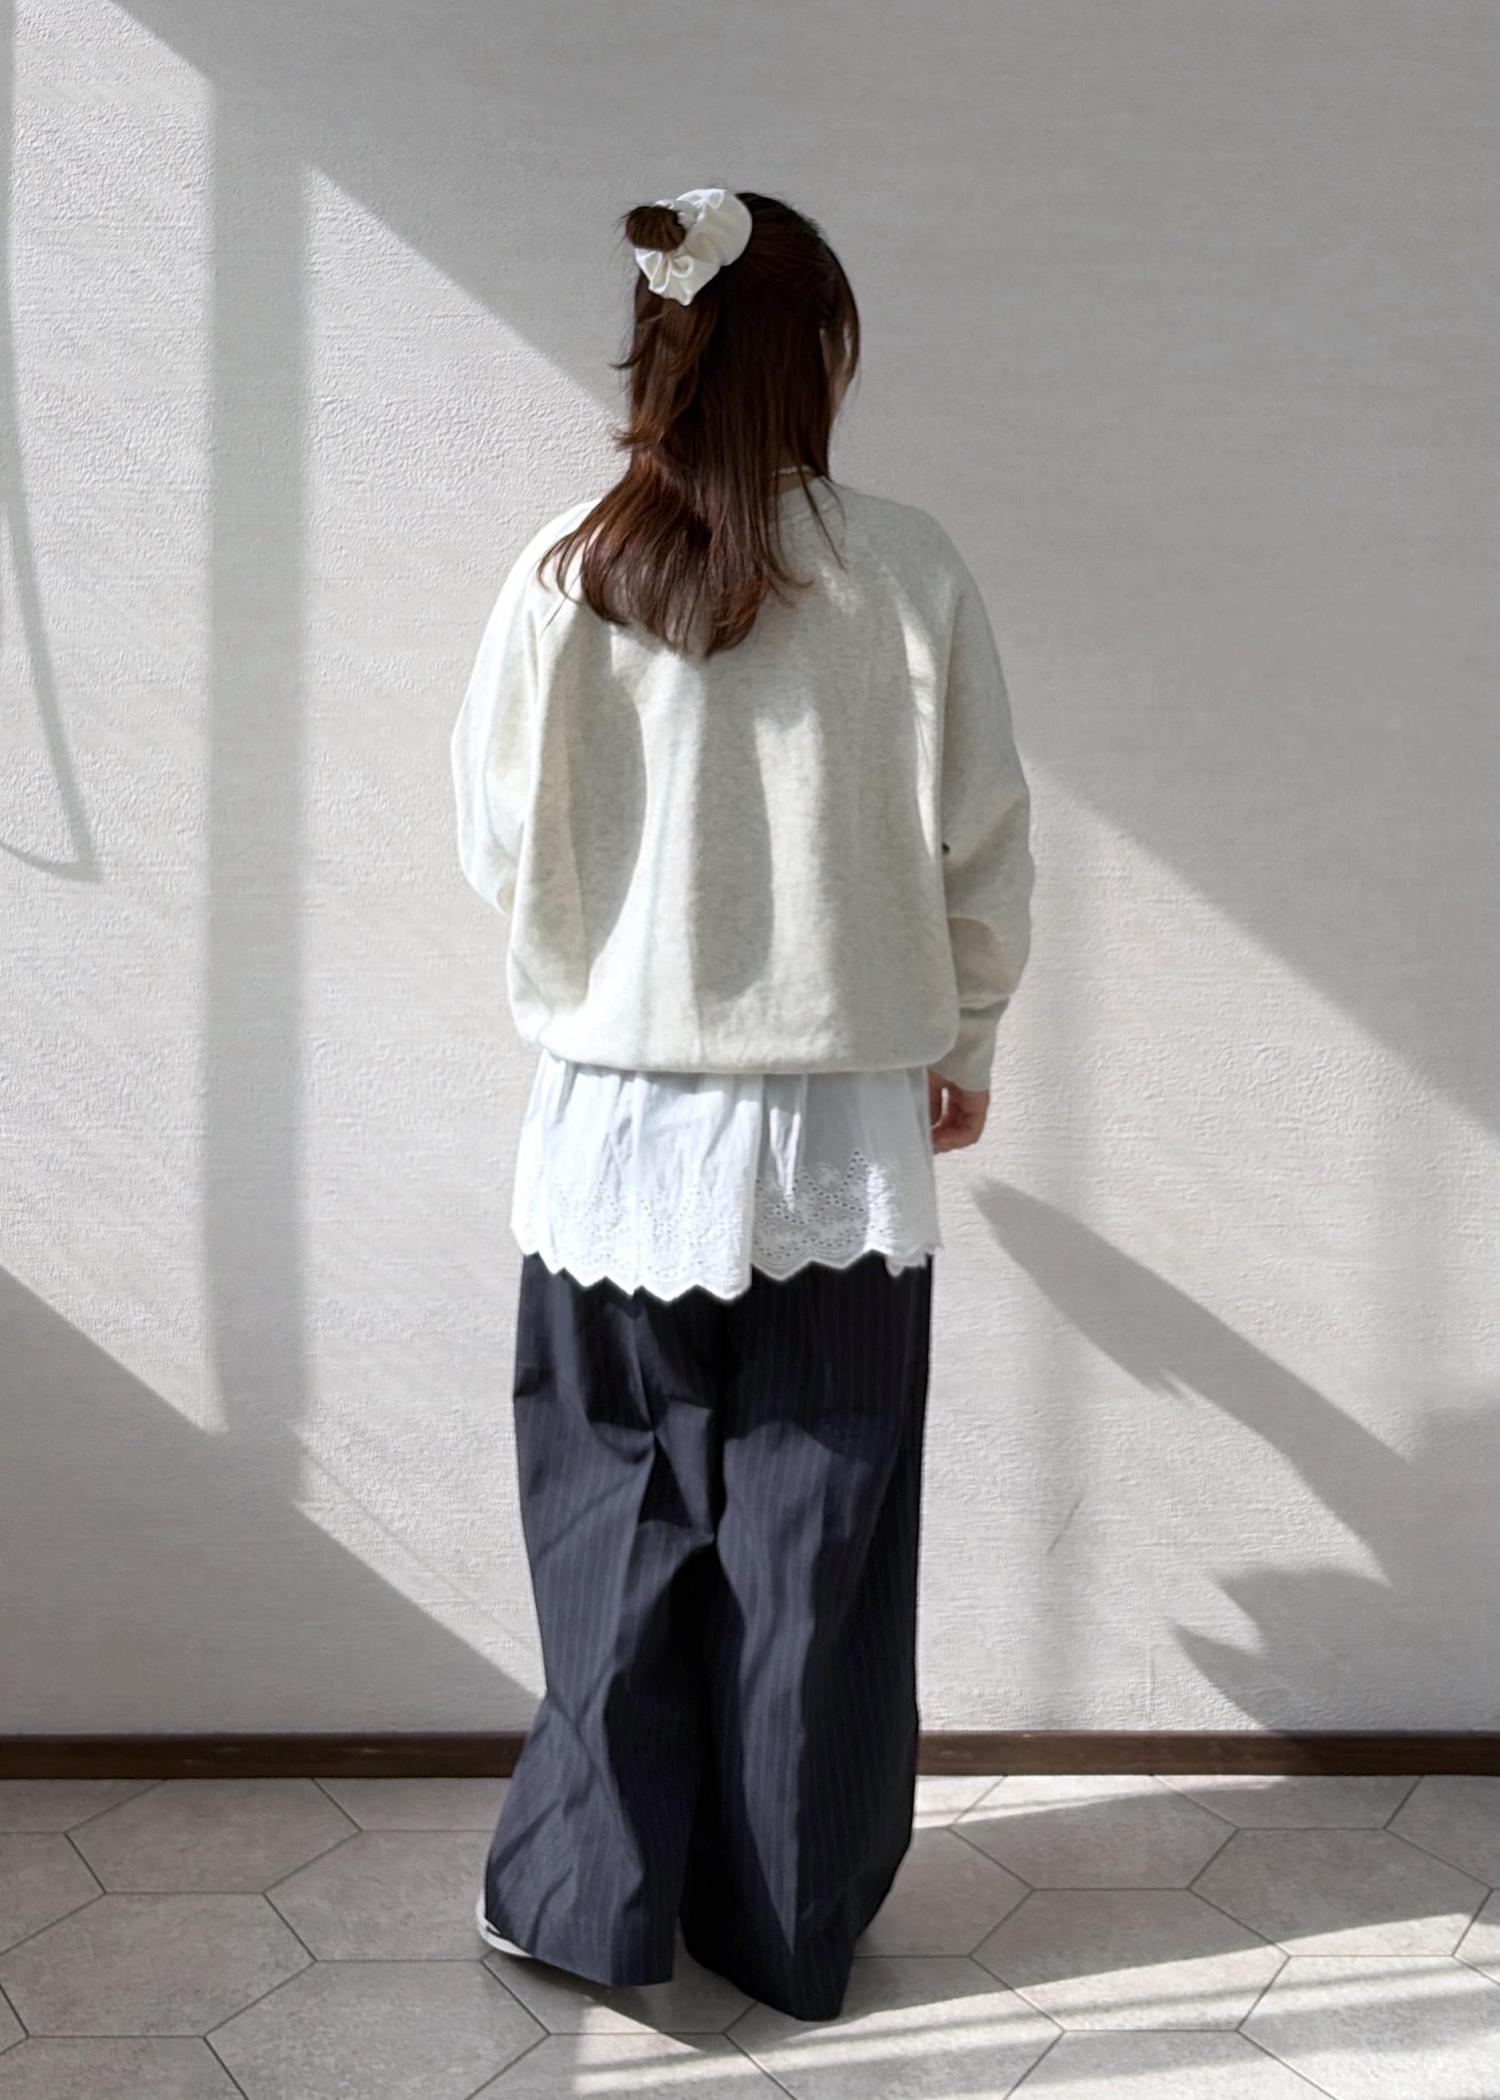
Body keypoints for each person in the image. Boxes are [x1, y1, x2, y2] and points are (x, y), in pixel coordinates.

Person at [449, 184, 1034, 2024]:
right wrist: (963, 1035)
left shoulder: (569, 570)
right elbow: (985, 843)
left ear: (661, 343)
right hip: (843, 1126)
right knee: (816, 1531)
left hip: (621, 1125)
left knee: (612, 1515)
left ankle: (594, 1905)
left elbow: (496, 842)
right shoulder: (907, 570)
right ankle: (791, 1919)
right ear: (821, 354)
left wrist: (630, 945)